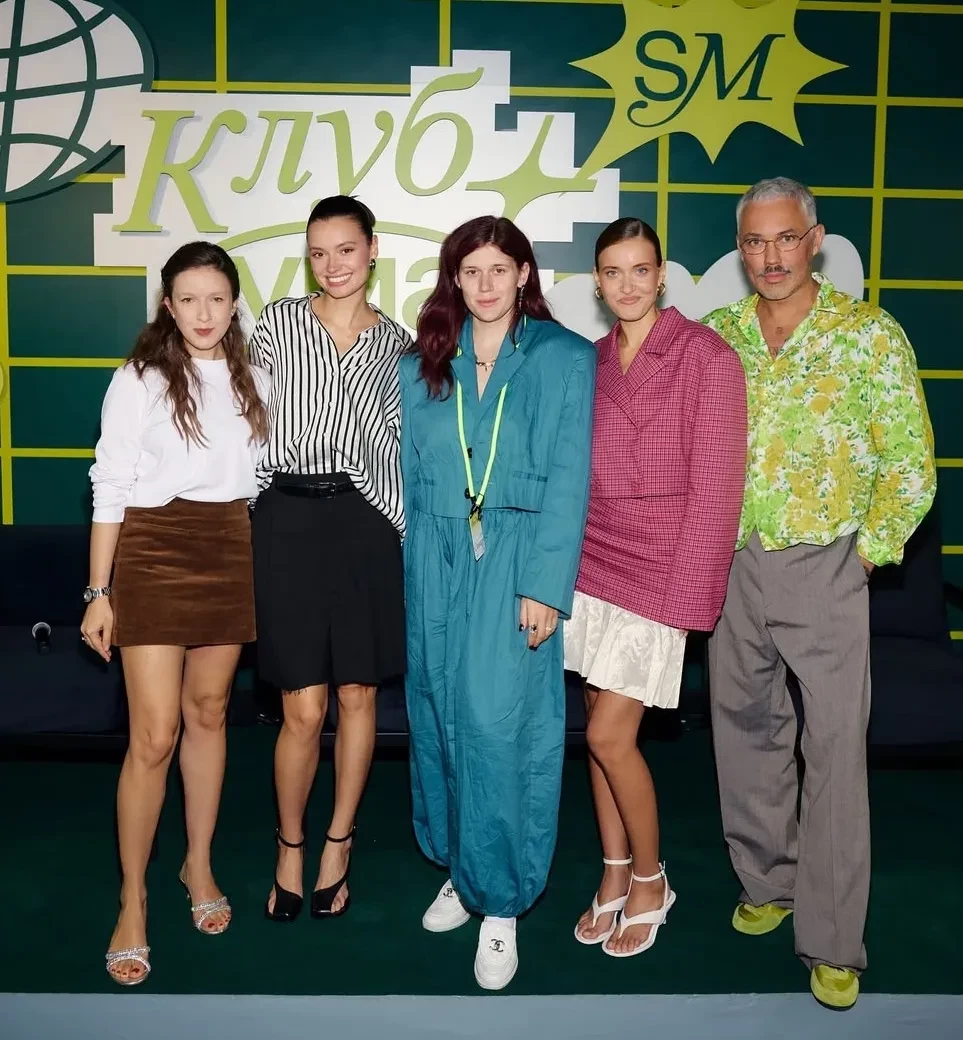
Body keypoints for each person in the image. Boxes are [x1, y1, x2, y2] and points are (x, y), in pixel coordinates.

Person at [702, 177, 937, 1010]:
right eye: (754, 241)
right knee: (745, 730)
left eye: (784, 238)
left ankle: (834, 939)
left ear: (815, 240)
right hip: (733, 562)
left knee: (834, 748)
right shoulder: (717, 334)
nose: (769, 256)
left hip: (828, 563)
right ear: (740, 249)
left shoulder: (868, 333)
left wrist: (865, 556)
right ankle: (767, 880)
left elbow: (908, 460)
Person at [400, 215, 595, 991]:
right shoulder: (424, 359)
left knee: (497, 724)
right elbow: (410, 470)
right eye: (470, 271)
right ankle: (462, 866)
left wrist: (545, 586)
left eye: (498, 269)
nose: (484, 285)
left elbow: (570, 478)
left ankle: (502, 901)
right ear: (455, 278)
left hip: (514, 555)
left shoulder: (562, 357)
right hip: (435, 553)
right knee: (437, 713)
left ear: (523, 275)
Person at [82, 241, 270, 986]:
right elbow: (110, 482)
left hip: (228, 545)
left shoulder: (255, 374)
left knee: (210, 714)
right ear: (167, 305)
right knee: (154, 735)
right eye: (188, 299)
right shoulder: (139, 377)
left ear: (234, 303)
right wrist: (99, 592)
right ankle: (132, 898)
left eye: (216, 298)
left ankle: (198, 863)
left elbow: (262, 475)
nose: (203, 312)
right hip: (153, 548)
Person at [565, 217, 747, 957]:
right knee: (596, 731)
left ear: (661, 274)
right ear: (597, 282)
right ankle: (613, 872)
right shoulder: (591, 361)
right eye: (613, 272)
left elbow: (718, 488)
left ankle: (650, 878)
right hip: (593, 561)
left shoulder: (707, 356)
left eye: (640, 270)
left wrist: (689, 598)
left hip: (662, 568)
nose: (627, 284)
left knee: (610, 735)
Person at [250, 195, 409, 924]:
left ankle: (338, 844)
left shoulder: (399, 345)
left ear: (372, 250)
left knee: (356, 697)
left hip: (364, 521)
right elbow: (245, 417)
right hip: (285, 518)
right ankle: (290, 845)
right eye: (318, 252)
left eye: (346, 249)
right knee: (303, 707)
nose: (332, 265)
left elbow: (405, 445)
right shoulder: (278, 323)